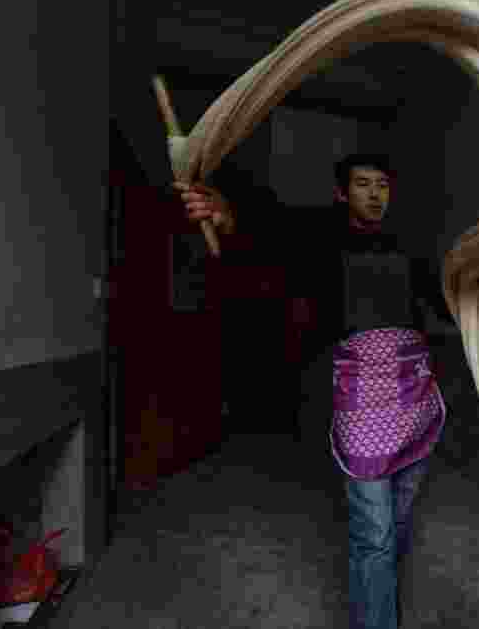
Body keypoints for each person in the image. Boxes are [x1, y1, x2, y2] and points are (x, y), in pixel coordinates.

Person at [174, 153, 455, 629]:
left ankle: (382, 603)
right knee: (376, 534)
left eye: (382, 184)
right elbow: (266, 239)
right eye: (363, 184)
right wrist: (227, 217)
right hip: (361, 408)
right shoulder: (316, 240)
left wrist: (475, 282)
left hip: (415, 402)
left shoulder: (411, 247)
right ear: (341, 193)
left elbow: (445, 306)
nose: (374, 193)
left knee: (400, 525)